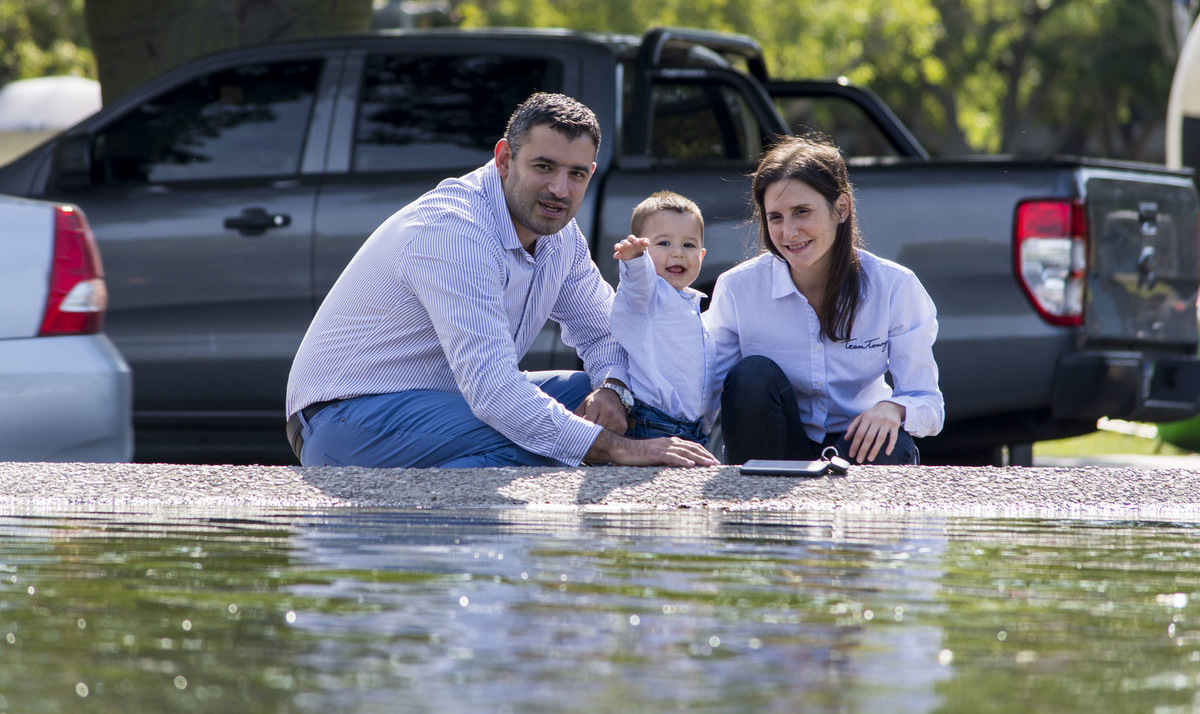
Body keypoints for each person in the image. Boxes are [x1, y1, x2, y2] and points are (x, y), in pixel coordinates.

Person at [285, 92, 717, 470]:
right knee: (562, 442)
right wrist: (617, 449)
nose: (560, 190)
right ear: (505, 158)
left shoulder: (560, 237)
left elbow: (606, 334)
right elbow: (493, 391)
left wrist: (614, 392)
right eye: (544, 167)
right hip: (345, 420)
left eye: (577, 174)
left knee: (608, 400)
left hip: (451, 407)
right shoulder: (454, 231)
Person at [706, 135, 944, 465]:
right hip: (773, 448)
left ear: (841, 209)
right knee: (751, 375)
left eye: (802, 212)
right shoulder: (737, 288)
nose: (788, 232)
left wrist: (895, 409)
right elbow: (707, 389)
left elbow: (927, 402)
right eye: (775, 217)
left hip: (855, 446)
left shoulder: (895, 286)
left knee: (891, 445)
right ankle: (755, 509)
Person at [610, 191, 714, 446]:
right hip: (653, 424)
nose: (678, 253)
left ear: (701, 256)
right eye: (664, 243)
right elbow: (637, 283)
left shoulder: (692, 304)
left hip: (694, 429)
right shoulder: (647, 296)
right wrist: (635, 260)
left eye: (688, 245)